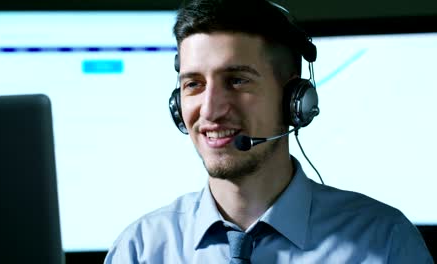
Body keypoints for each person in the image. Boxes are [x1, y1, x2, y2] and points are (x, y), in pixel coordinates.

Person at [104, 0, 433, 263]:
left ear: (294, 101)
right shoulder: (141, 250)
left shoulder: (383, 242)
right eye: (194, 84)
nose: (209, 110)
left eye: (237, 81)